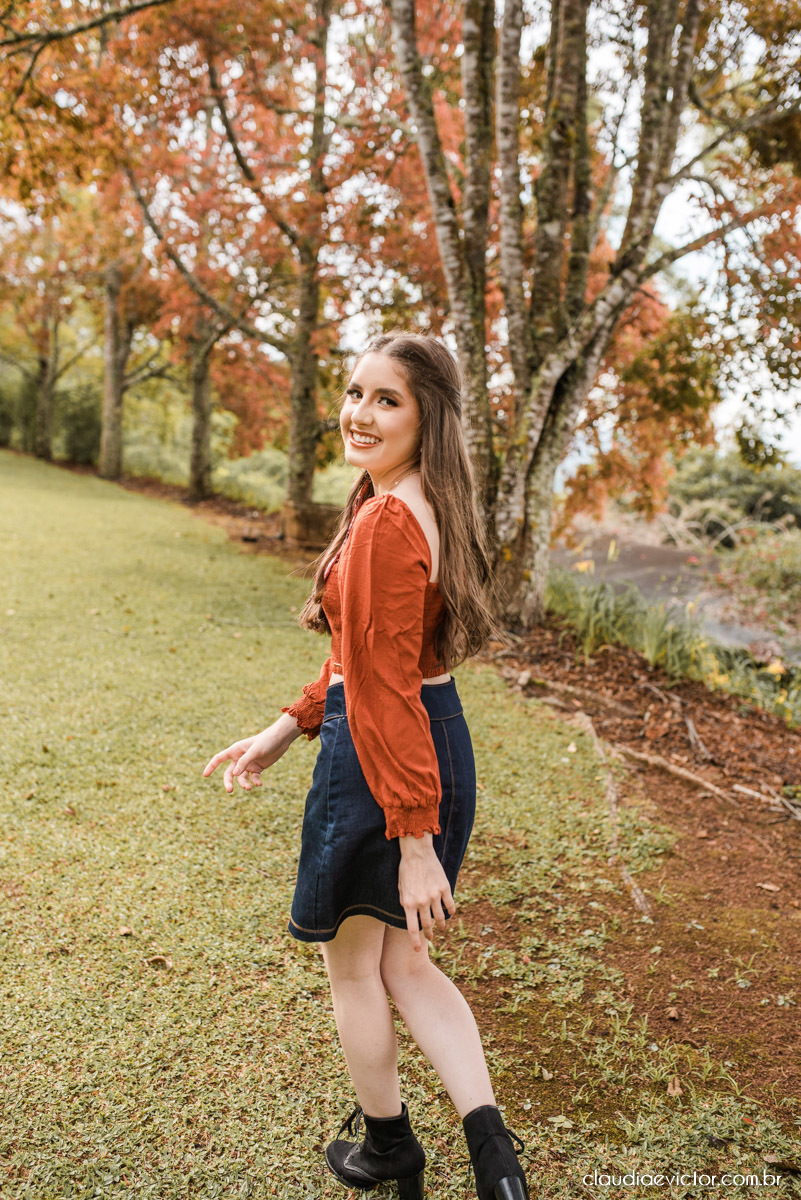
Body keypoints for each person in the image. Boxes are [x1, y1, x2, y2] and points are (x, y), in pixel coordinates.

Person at [203, 332, 529, 1200]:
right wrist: (285, 726)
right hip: (429, 736)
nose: (359, 412)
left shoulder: (387, 519)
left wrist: (413, 837)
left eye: (387, 400)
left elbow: (382, 689)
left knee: (355, 968)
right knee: (405, 965)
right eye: (354, 392)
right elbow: (365, 656)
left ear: (427, 420)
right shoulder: (416, 500)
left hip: (389, 756)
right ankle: (496, 1162)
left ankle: (388, 1148)